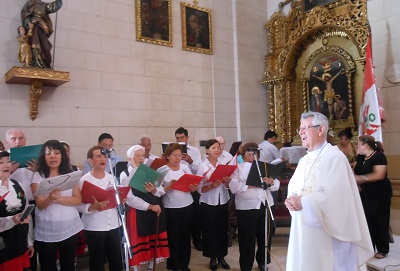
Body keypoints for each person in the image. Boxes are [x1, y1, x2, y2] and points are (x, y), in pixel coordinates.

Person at [284, 111, 373, 271]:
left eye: (306, 128)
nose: (301, 132)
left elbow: (335, 197)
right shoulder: (305, 159)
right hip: (303, 226)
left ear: (321, 130)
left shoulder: (334, 158)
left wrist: (302, 201)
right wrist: (291, 199)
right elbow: (295, 187)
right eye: (300, 129)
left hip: (327, 232)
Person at [30, 140, 83, 271]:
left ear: (62, 155)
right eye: (48, 153)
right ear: (44, 156)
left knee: (68, 264)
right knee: (48, 265)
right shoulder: (38, 176)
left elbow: (77, 200)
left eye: (57, 153)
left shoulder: (70, 174)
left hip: (69, 227)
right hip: (47, 229)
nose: (53, 156)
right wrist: (50, 198)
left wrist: (56, 199)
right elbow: (41, 204)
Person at [229, 142, 278, 271]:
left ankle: (263, 262)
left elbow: (276, 185)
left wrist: (270, 181)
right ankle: (246, 266)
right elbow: (233, 187)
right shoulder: (237, 168)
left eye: (254, 154)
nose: (251, 157)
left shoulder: (264, 167)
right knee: (247, 239)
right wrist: (250, 185)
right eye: (248, 154)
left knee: (265, 236)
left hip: (265, 204)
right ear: (243, 155)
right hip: (246, 207)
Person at [119, 145, 168, 271]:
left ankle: (151, 267)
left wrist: (154, 190)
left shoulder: (149, 171)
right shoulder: (125, 174)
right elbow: (129, 198)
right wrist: (149, 206)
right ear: (130, 158)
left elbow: (161, 191)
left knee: (152, 241)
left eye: (143, 155)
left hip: (153, 210)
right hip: (137, 212)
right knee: (138, 242)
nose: (141, 158)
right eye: (138, 156)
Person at [77, 146, 125, 271]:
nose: (102, 159)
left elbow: (116, 199)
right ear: (90, 161)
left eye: (104, 156)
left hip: (114, 224)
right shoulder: (83, 180)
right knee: (97, 260)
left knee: (116, 258)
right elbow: (78, 204)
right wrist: (92, 206)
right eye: (98, 156)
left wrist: (121, 200)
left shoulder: (112, 178)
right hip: (94, 226)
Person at [158, 143, 198, 271]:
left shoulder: (185, 167)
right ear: (168, 156)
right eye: (174, 155)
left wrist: (194, 188)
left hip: (187, 205)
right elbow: (157, 191)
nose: (177, 158)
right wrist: (169, 186)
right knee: (173, 237)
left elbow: (192, 184)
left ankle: (184, 264)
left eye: (179, 155)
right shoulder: (162, 170)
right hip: (170, 207)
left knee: (185, 236)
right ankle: (174, 265)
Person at [354, 135, 393, 259]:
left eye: (359, 144)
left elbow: (379, 175)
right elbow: (356, 170)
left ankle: (382, 249)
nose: (357, 147)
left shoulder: (379, 157)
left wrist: (361, 179)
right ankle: (369, 247)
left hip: (380, 193)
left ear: (366, 145)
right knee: (367, 220)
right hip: (365, 192)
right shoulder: (360, 157)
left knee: (380, 220)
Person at [5, 128, 37, 271]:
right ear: (7, 142)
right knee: (16, 247)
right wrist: (7, 173)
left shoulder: (32, 158)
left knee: (34, 245)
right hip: (11, 210)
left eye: (21, 138)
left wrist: (38, 171)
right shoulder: (3, 162)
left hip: (33, 204)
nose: (18, 141)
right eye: (13, 138)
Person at [196, 139, 231, 271]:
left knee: (222, 229)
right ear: (207, 150)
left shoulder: (223, 164)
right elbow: (199, 189)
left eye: (218, 147)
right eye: (213, 147)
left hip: (222, 200)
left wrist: (227, 182)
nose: (217, 150)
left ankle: (222, 256)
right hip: (208, 202)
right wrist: (211, 186)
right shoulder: (202, 166)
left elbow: (228, 185)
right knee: (210, 230)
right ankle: (212, 257)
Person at [0, 151, 34, 271]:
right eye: (1, 162)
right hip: (3, 247)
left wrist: (30, 242)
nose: (6, 165)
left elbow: (27, 213)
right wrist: (12, 220)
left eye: (8, 161)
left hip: (20, 243)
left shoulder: (17, 185)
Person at [174, 127, 203, 251]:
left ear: (187, 138)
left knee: (195, 216)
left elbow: (199, 169)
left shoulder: (195, 151)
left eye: (182, 137)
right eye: (177, 138)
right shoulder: (173, 151)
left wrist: (190, 161)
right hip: (178, 187)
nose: (180, 140)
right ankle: (182, 242)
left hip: (192, 186)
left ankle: (197, 240)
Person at [21, 0, 63, 69]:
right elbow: (24, 14)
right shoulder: (30, 3)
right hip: (34, 28)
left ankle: (45, 64)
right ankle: (35, 63)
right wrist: (28, 23)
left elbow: (53, 6)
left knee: (46, 48)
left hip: (43, 29)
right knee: (35, 45)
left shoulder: (44, 5)